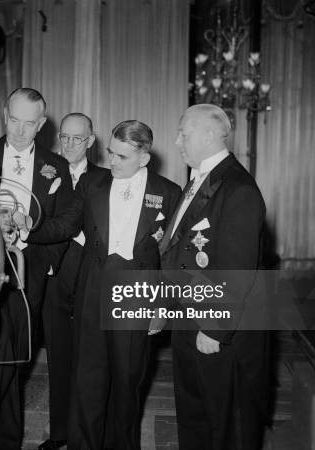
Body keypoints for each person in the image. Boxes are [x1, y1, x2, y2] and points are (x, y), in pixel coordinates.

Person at [62, 120, 181, 449]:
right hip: (94, 287)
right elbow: (66, 224)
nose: (112, 161)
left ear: (143, 157)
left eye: (122, 157)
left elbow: (171, 257)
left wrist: (162, 306)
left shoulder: (168, 193)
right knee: (88, 377)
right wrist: (30, 226)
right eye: (111, 153)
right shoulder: (92, 182)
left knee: (128, 380)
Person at [159, 104, 269, 450]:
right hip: (188, 317)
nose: (176, 141)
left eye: (183, 133)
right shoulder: (199, 180)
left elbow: (237, 267)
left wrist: (214, 327)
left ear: (208, 135)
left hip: (216, 325)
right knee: (195, 415)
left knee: (228, 421)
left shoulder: (238, 188)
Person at [0, 87, 76, 449]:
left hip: (28, 274)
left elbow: (66, 224)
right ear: (5, 115)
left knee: (16, 359)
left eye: (28, 124)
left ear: (41, 125)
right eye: (14, 120)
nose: (19, 131)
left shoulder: (56, 166)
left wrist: (44, 263)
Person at [39, 113, 108, 450]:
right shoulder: (46, 172)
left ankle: (86, 434)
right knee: (58, 357)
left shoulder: (106, 178)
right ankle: (59, 434)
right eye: (64, 137)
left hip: (89, 276)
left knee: (89, 361)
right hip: (53, 275)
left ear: (91, 141)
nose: (68, 144)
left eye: (76, 139)